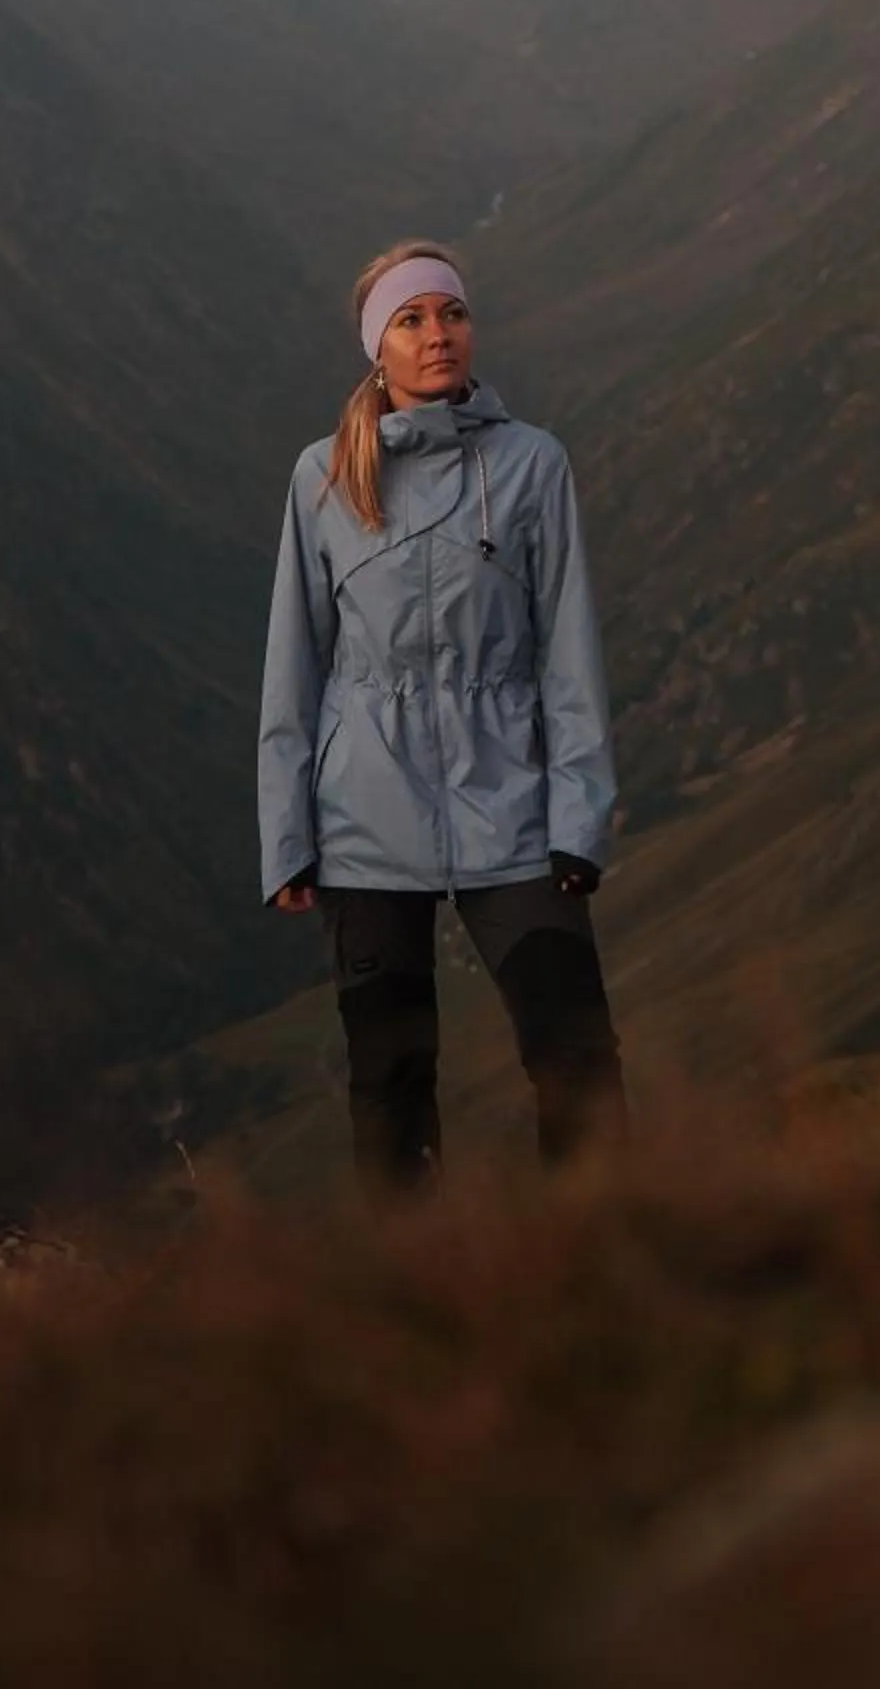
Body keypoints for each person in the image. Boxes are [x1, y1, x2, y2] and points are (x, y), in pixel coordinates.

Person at [257, 240, 625, 1188]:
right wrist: (287, 837)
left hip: (510, 803)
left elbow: (570, 653)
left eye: (451, 314)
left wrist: (579, 816)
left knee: (576, 1057)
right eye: (412, 320)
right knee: (391, 1079)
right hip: (364, 819)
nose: (438, 336)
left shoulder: (534, 464)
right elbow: (294, 663)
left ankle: (601, 1268)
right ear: (379, 345)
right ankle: (413, 1301)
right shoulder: (325, 476)